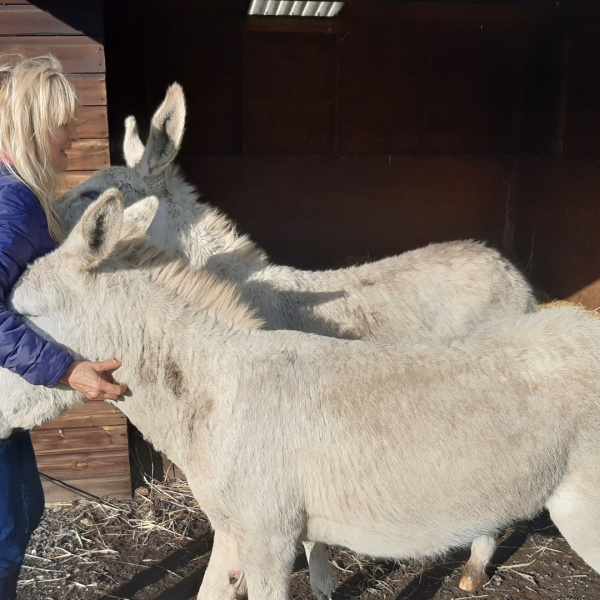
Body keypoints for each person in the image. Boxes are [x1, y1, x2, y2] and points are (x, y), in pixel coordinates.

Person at [0, 55, 127, 599]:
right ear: (33, 123)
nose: (74, 135)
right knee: (6, 534)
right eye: (64, 121)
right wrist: (66, 367)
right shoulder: (12, 204)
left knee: (25, 513)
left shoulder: (23, 195)